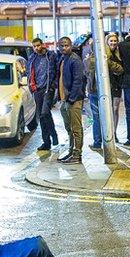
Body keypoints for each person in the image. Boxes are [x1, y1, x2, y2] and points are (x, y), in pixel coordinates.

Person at [85, 36, 124, 150]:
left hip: (93, 91)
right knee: (107, 116)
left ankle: (97, 142)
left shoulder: (88, 60)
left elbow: (86, 73)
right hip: (105, 91)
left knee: (96, 117)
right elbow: (120, 69)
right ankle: (109, 139)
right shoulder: (105, 59)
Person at [56, 36, 86, 164]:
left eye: (66, 45)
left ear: (71, 45)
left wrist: (71, 99)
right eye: (62, 45)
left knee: (76, 128)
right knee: (69, 128)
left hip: (73, 100)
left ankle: (77, 155)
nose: (64, 47)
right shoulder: (63, 59)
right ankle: (71, 152)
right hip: (65, 100)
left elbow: (78, 81)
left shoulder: (75, 60)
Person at [27, 38, 60, 151]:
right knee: (41, 116)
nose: (36, 48)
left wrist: (53, 85)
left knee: (45, 112)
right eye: (34, 46)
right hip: (37, 90)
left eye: (38, 45)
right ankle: (46, 142)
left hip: (48, 88)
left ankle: (53, 134)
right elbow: (29, 73)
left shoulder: (51, 56)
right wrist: (32, 87)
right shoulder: (32, 58)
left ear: (42, 45)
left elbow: (56, 71)